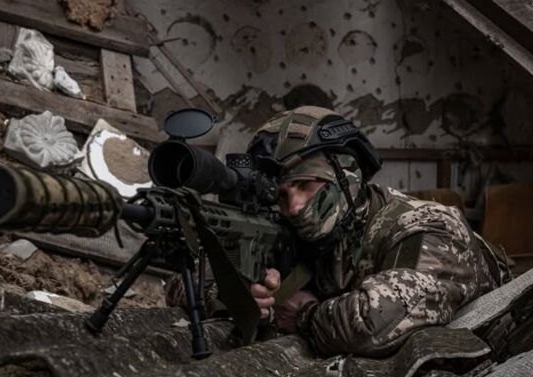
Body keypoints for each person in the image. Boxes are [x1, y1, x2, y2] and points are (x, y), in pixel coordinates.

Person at [167, 106, 510, 357]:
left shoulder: (428, 225)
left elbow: (375, 324)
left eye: (306, 185)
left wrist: (302, 316)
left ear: (347, 175)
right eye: (282, 195)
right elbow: (180, 285)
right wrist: (234, 294)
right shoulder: (290, 230)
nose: (294, 207)